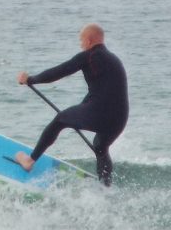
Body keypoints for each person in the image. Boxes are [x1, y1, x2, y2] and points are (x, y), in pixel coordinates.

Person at [15, 23, 129, 186]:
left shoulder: (89, 56)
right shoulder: (114, 60)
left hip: (101, 112)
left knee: (61, 119)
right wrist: (82, 109)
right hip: (119, 119)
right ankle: (106, 187)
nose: (81, 45)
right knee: (100, 146)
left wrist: (30, 79)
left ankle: (29, 160)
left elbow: (59, 71)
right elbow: (105, 92)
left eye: (82, 41)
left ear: (89, 41)